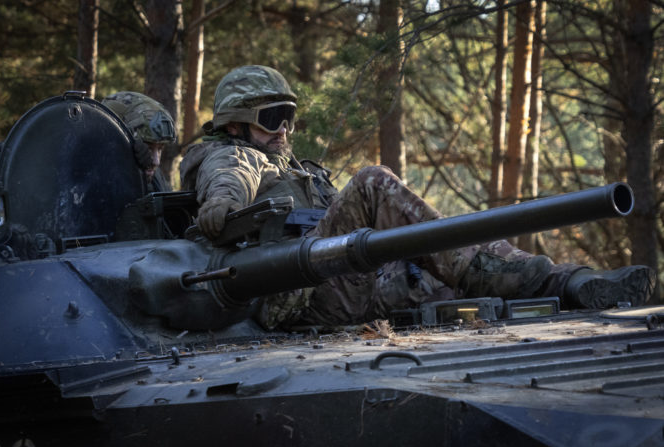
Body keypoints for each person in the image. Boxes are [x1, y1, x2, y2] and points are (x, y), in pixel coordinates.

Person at [180, 65, 656, 330]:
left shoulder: (294, 168)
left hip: (338, 283)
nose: (284, 129)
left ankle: (573, 285)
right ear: (236, 123)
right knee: (372, 183)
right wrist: (220, 204)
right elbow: (226, 181)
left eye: (290, 117)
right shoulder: (228, 156)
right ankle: (545, 280)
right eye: (271, 117)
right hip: (291, 296)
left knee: (447, 258)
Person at [102, 91, 176, 192]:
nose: (156, 161)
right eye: (148, 148)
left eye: (159, 149)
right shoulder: (88, 178)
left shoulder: (156, 181)